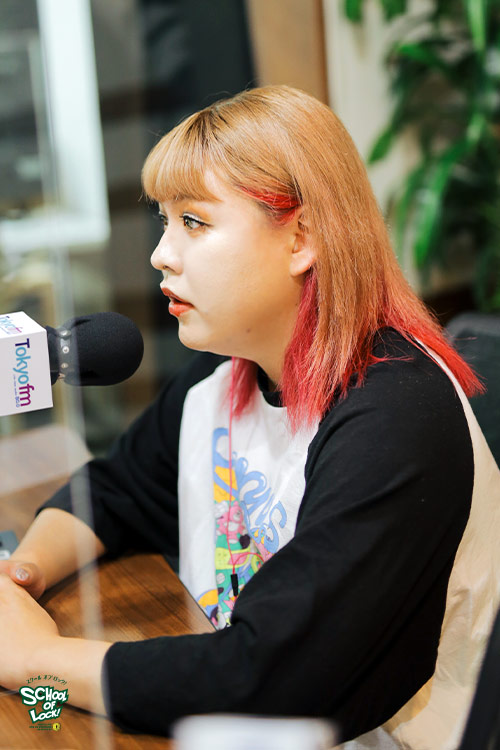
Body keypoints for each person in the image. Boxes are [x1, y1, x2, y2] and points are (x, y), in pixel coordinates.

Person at [1, 85, 499, 749]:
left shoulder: (399, 415)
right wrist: (21, 576)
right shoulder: (224, 376)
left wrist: (38, 660)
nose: (161, 253)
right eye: (164, 221)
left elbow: (270, 677)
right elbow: (117, 490)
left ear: (302, 240)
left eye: (194, 222)